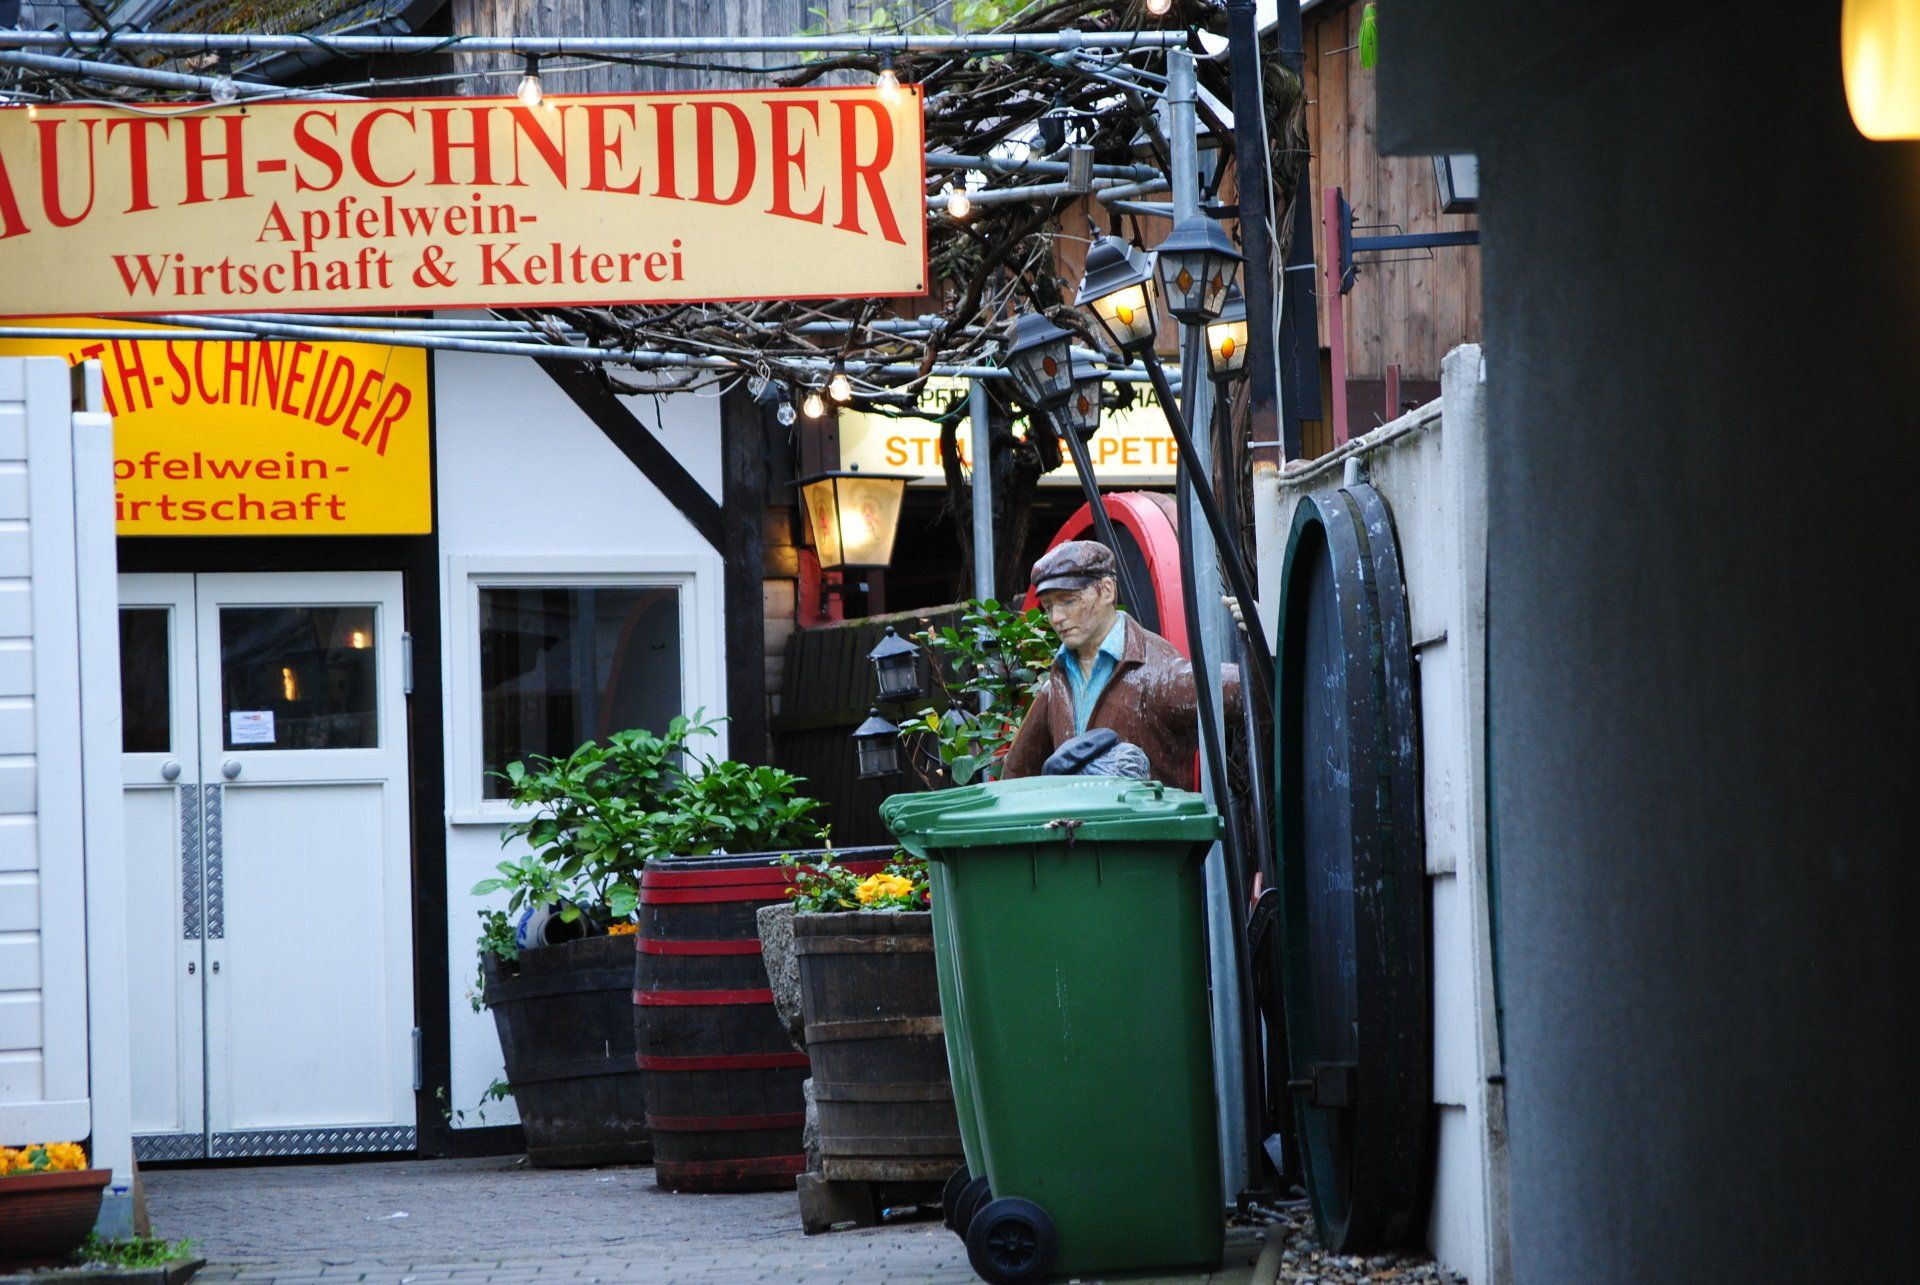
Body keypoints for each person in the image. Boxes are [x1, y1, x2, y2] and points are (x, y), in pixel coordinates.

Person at [1000, 540, 1235, 786]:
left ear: (1107, 590)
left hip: (1145, 823)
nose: (1056, 618)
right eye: (1048, 607)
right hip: (1076, 824)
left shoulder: (1158, 672)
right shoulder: (1057, 684)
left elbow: (1253, 696)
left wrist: (1268, 641)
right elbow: (1015, 776)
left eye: (1068, 601)